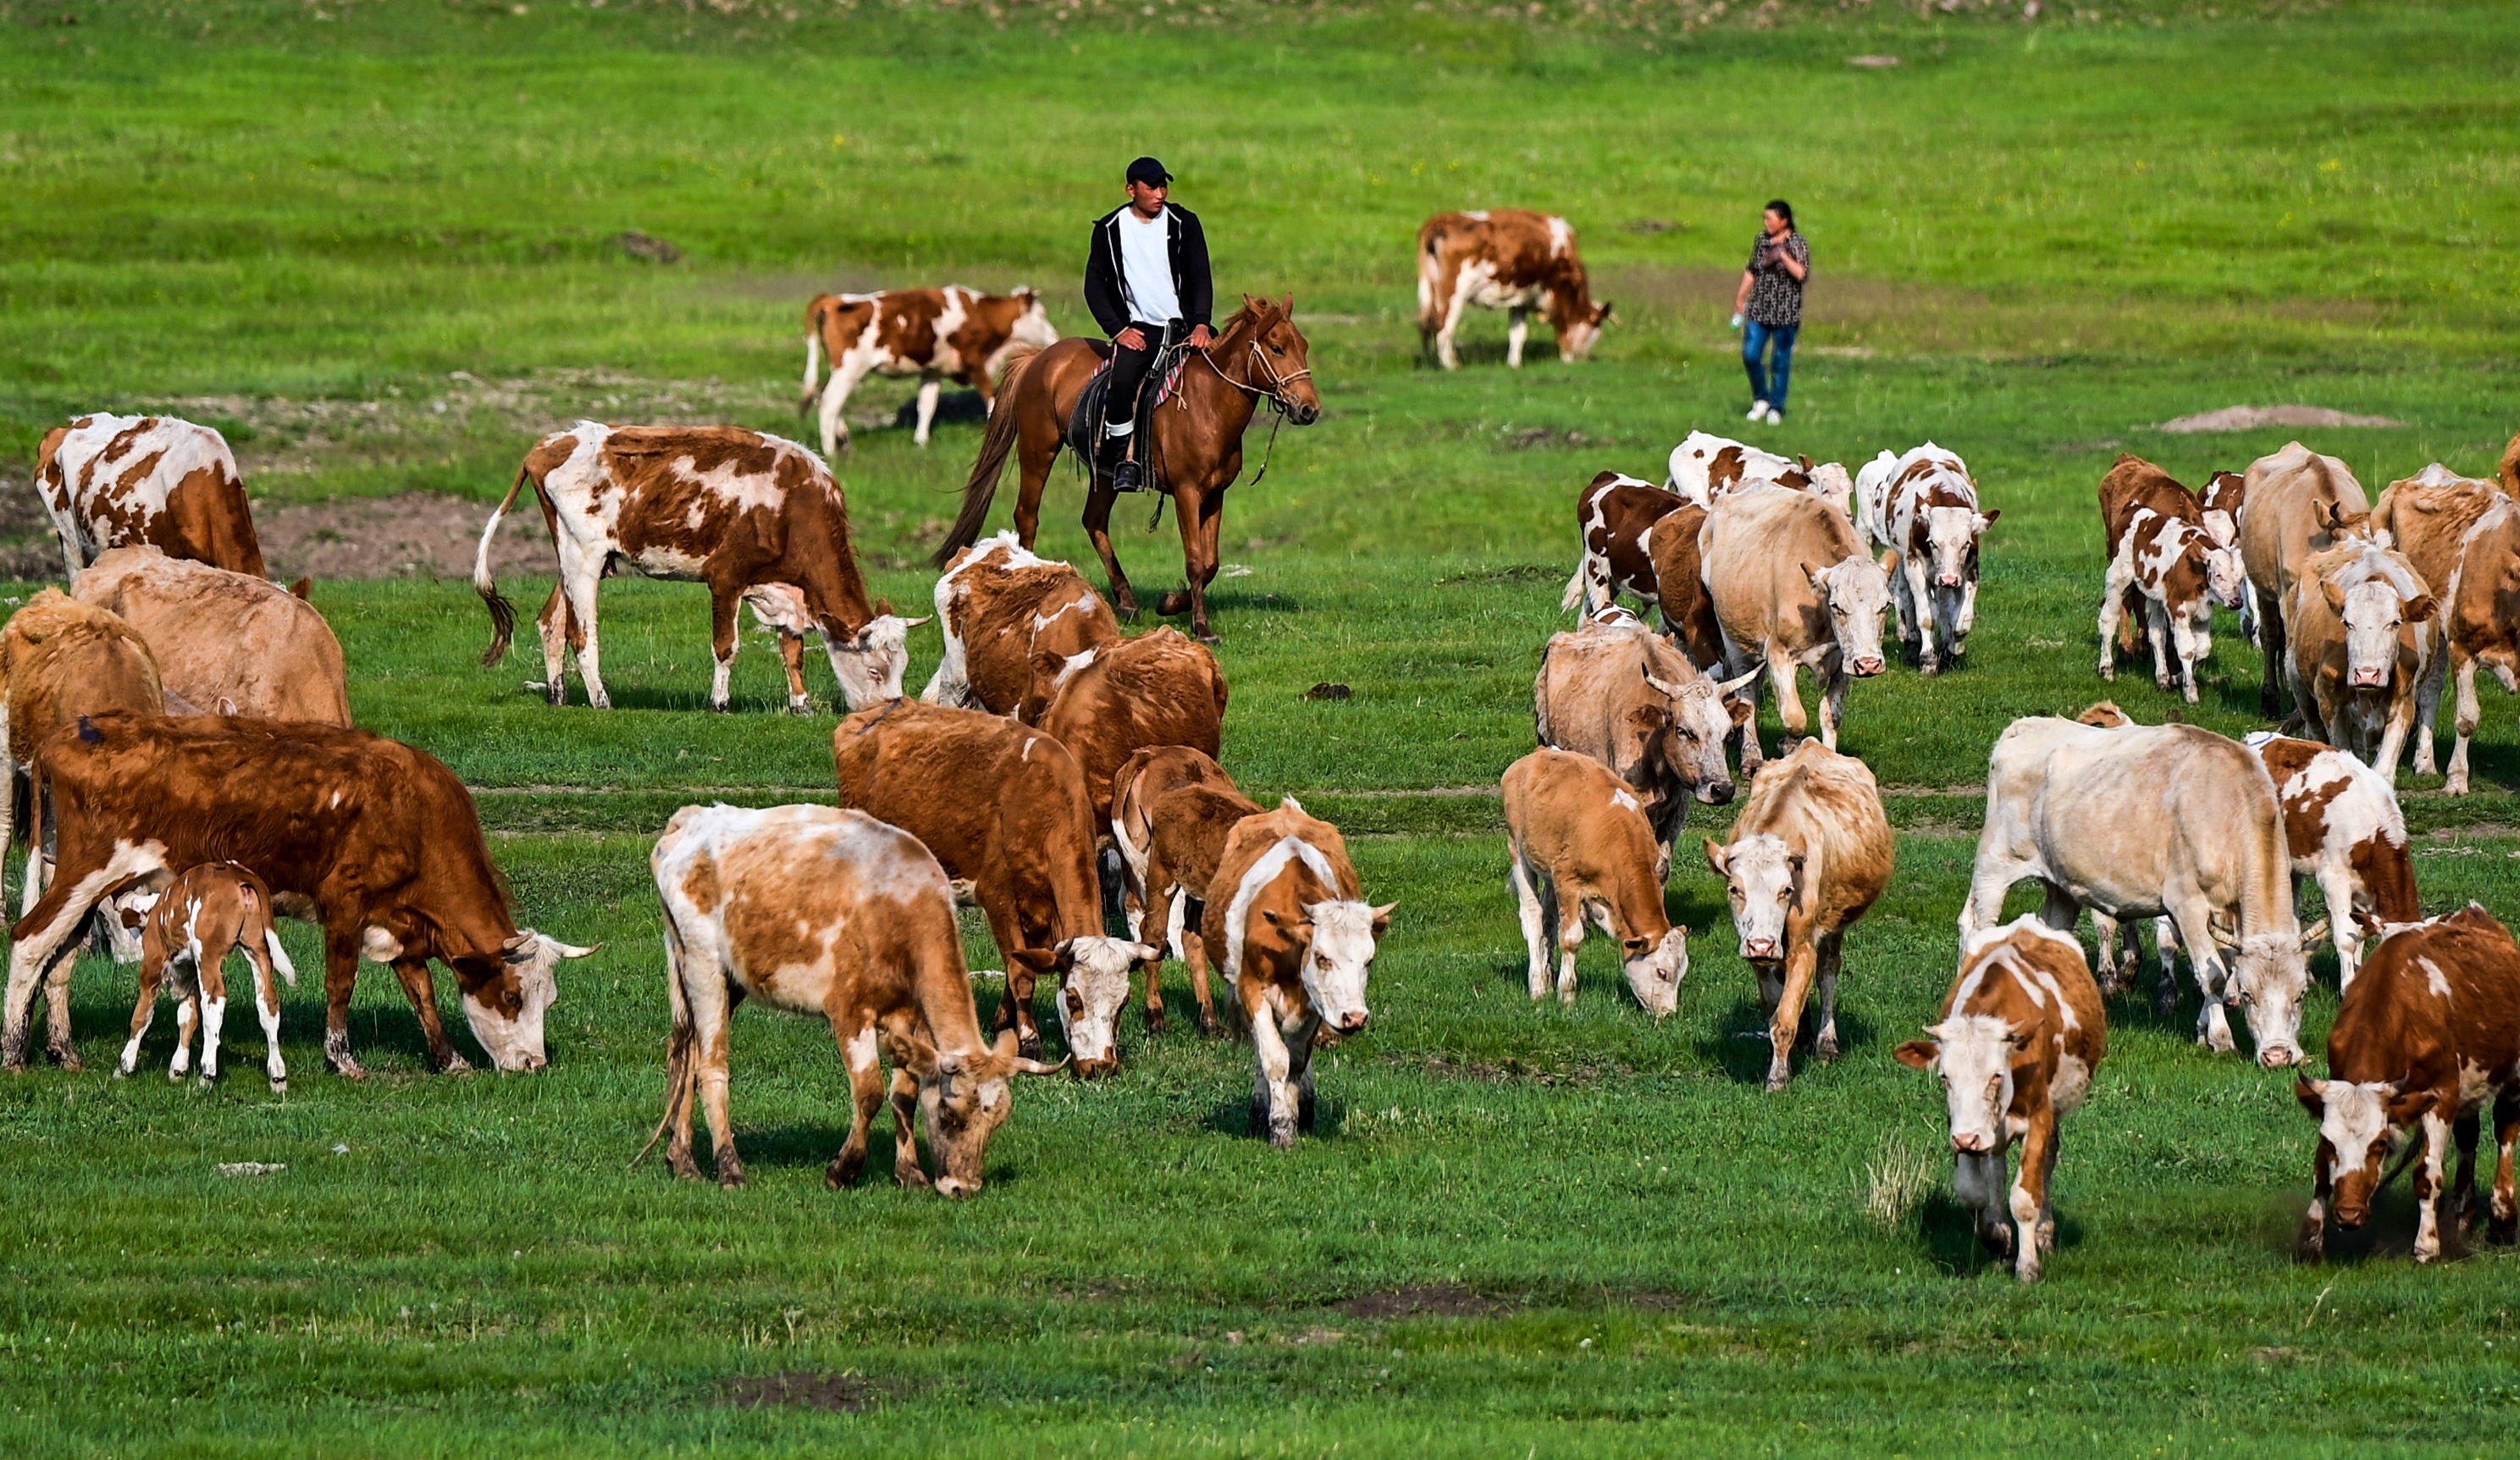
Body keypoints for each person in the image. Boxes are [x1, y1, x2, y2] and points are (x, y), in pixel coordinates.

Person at [1082, 156, 1214, 492]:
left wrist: (1201, 324)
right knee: (1123, 383)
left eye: (1163, 185)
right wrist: (1118, 330)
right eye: (1151, 187)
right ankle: (1122, 460)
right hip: (1140, 331)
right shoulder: (1110, 230)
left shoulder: (1184, 223)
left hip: (1185, 330)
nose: (1160, 193)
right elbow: (1094, 286)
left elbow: (1200, 277)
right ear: (1131, 189)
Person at [1730, 200, 1809, 426]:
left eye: (1770, 219)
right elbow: (1752, 270)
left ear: (1784, 221)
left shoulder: (1797, 243)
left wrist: (1783, 255)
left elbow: (1801, 273)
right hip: (1759, 310)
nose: (1766, 223)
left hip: (1786, 313)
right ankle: (1761, 397)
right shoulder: (1762, 240)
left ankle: (1777, 406)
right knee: (1751, 354)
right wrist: (1741, 297)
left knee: (1780, 360)